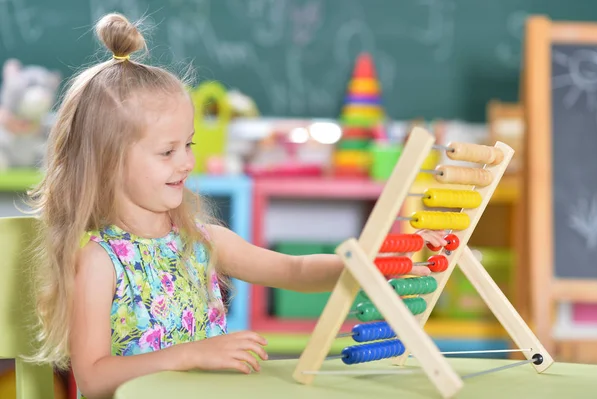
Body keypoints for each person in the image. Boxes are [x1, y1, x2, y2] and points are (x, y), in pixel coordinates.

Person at [25, 13, 449, 399]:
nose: (187, 162)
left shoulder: (200, 241)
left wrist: (380, 260)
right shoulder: (99, 261)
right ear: (108, 161)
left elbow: (294, 270)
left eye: (187, 145)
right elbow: (95, 377)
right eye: (167, 151)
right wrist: (193, 354)